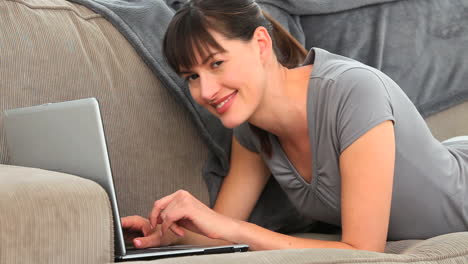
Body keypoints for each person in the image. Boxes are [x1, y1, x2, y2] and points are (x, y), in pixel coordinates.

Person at [121, 0, 468, 253]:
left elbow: (364, 252)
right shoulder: (251, 130)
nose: (206, 91)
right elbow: (222, 230)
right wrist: (169, 233)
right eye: (192, 76)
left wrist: (229, 227)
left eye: (217, 63)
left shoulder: (353, 91)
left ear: (260, 44)